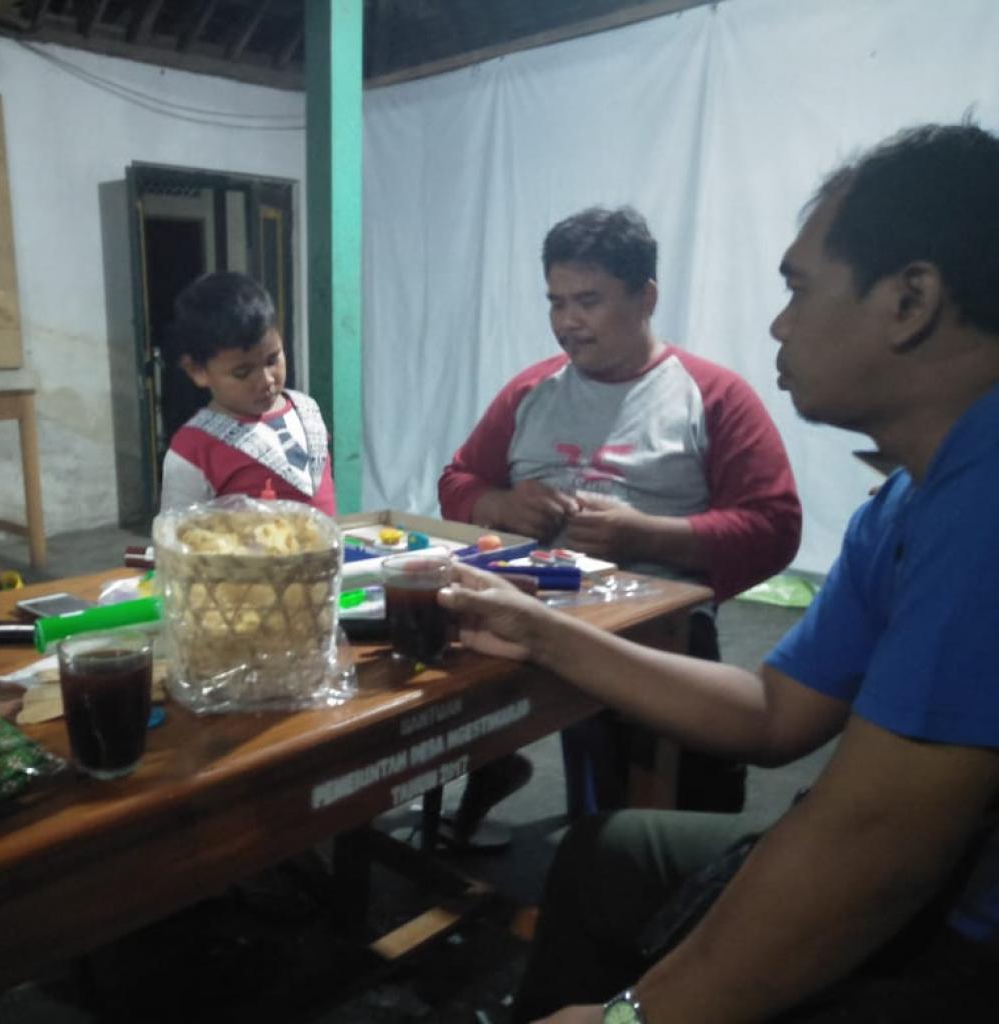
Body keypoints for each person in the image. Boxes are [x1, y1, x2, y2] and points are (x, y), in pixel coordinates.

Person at [439, 122, 999, 1022]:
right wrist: (541, 630)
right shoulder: (900, 504)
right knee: (600, 852)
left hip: (965, 943)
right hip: (606, 634)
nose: (778, 323)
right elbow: (777, 712)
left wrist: (632, 1018)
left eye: (798, 289)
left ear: (911, 301)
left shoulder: (980, 500)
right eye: (557, 301)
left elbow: (875, 842)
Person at [439, 208, 801, 842]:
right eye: (556, 303)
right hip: (531, 608)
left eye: (588, 301)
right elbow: (458, 481)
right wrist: (500, 504)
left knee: (679, 798)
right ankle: (481, 775)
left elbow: (775, 526)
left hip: (657, 628)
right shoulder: (531, 392)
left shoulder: (712, 396)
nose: (568, 323)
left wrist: (646, 536)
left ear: (646, 298)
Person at [159, 271, 335, 515]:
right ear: (198, 371)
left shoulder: (307, 410)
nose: (266, 380)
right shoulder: (193, 449)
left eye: (273, 360)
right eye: (242, 373)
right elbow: (175, 532)